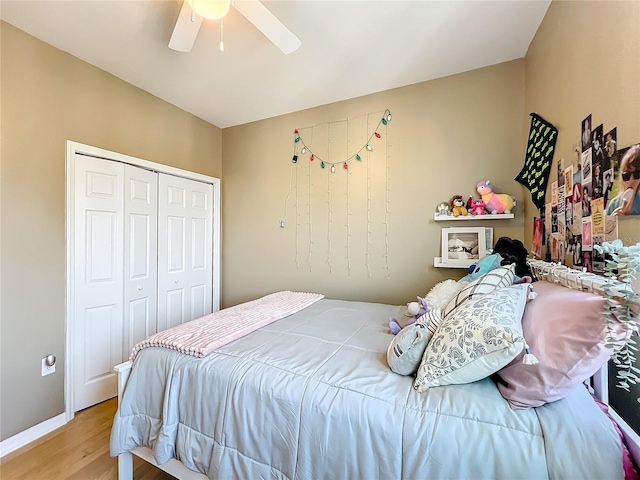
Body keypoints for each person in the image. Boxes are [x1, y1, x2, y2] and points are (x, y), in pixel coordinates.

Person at [606, 144, 640, 216]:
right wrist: (612, 222)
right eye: (626, 176)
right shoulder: (613, 205)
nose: (631, 180)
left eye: (637, 174)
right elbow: (606, 227)